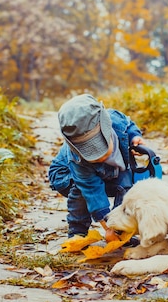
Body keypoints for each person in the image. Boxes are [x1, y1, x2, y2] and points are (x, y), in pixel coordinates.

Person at [48, 94, 145, 242]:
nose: (97, 157)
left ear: (106, 124)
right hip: (66, 175)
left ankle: (121, 229)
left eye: (100, 146)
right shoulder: (78, 159)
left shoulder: (116, 121)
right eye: (89, 152)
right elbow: (92, 191)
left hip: (109, 171)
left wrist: (134, 137)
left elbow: (129, 126)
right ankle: (77, 232)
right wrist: (107, 228)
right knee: (81, 191)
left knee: (126, 186)